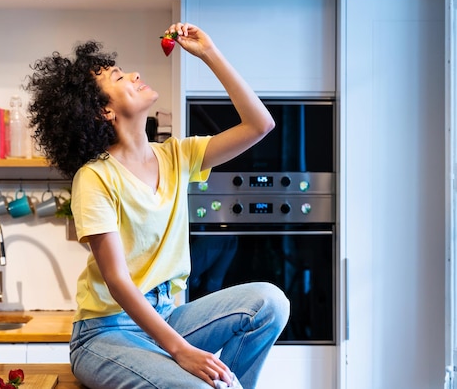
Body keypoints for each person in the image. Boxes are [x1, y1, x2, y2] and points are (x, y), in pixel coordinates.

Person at [25, 22, 290, 389]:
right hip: (106, 334)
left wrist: (209, 53)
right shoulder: (95, 177)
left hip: (167, 317)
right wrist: (180, 350)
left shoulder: (177, 156)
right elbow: (117, 280)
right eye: (119, 77)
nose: (134, 74)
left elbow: (260, 124)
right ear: (104, 110)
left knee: (269, 302)